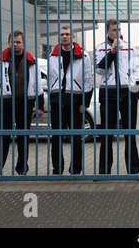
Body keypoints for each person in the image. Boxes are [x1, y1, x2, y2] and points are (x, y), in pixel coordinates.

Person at [0, 30, 44, 175]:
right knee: (2, 138)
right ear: (8, 43)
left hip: (25, 104)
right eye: (13, 42)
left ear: (23, 43)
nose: (15, 44)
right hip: (5, 104)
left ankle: (21, 169)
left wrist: (40, 106)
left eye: (18, 42)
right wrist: (0, 88)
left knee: (23, 138)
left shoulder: (32, 61)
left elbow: (38, 85)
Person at [95, 19, 139, 174]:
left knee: (130, 134)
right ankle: (104, 171)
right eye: (114, 30)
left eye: (119, 29)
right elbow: (100, 71)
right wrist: (112, 52)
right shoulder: (100, 48)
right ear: (108, 32)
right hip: (108, 94)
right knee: (107, 135)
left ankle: (134, 170)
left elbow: (137, 70)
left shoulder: (130, 47)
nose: (117, 33)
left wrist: (136, 92)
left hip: (127, 94)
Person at [48, 26, 93, 174]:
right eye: (62, 34)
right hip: (57, 101)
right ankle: (57, 168)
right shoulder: (52, 56)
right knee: (56, 136)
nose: (64, 37)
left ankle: (76, 168)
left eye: (67, 34)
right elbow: (49, 79)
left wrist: (85, 103)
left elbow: (88, 80)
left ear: (73, 36)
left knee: (76, 137)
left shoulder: (83, 56)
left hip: (75, 101)